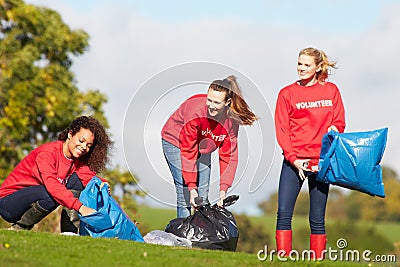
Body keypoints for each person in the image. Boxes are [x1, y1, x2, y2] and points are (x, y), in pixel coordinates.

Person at [274, 47, 346, 260]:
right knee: (284, 214)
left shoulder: (331, 90)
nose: (301, 68)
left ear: (317, 67)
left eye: (306, 65)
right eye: (299, 64)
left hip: (322, 163)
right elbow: (282, 130)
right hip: (294, 163)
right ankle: (283, 260)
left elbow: (339, 120)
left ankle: (318, 261)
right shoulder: (286, 94)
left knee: (317, 218)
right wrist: (294, 160)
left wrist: (336, 128)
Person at [161, 75, 258, 218]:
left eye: (217, 103)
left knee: (203, 195)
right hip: (175, 141)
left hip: (204, 144)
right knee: (186, 194)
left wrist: (223, 191)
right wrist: (192, 188)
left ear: (227, 102)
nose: (211, 106)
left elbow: (228, 156)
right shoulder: (195, 111)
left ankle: (200, 235)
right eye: (209, 100)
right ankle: (183, 238)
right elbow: (188, 152)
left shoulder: (231, 121)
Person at [0, 116, 113, 233]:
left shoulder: (76, 160)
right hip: (8, 203)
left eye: (89, 145)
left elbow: (86, 176)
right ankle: (18, 229)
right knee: (52, 194)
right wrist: (81, 208)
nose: (84, 147)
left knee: (76, 181)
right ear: (70, 134)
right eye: (81, 141)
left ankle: (69, 232)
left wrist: (101, 183)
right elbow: (52, 185)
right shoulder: (47, 154)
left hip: (34, 197)